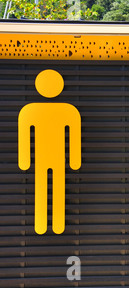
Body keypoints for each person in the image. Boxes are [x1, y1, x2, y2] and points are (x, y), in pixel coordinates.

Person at [18, 69, 81, 235]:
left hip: (51, 157)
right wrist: (74, 160)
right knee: (48, 188)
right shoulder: (66, 110)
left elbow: (73, 134)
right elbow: (24, 134)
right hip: (47, 157)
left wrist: (24, 160)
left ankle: (51, 224)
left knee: (50, 188)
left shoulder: (30, 110)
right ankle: (47, 224)